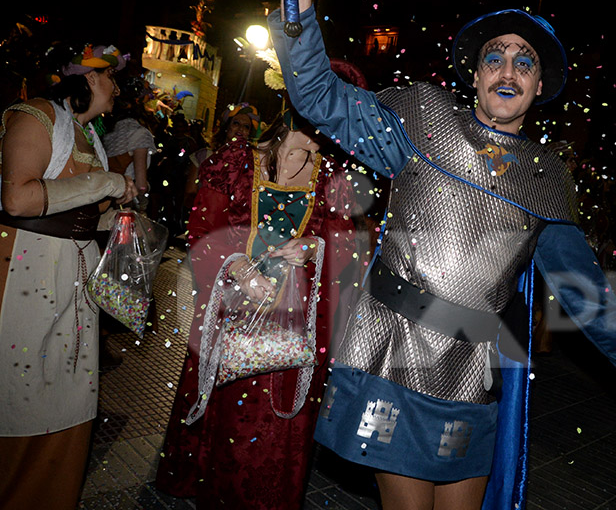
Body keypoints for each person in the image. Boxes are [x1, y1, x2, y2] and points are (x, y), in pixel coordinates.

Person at [260, 0, 616, 509]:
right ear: (474, 75)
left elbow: (577, 281)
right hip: (391, 354)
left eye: (524, 62)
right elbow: (316, 94)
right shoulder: (422, 119)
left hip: (473, 370)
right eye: (495, 57)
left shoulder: (547, 176)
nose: (508, 69)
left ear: (538, 85)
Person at [154, 109, 357, 509]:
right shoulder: (235, 162)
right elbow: (201, 231)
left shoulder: (335, 178)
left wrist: (313, 248)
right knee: (227, 412)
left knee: (273, 422)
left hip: (293, 325)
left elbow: (348, 247)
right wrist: (239, 270)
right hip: (231, 313)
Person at [0, 43, 137, 509]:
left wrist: (121, 223)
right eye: (112, 78)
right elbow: (18, 200)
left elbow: (77, 207)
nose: (118, 90)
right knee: (20, 390)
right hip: (25, 270)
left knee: (70, 391)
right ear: (90, 78)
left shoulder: (88, 135)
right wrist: (107, 184)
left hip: (74, 276)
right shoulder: (36, 115)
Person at [102, 74, 156, 209]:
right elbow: (141, 185)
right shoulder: (139, 134)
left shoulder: (109, 131)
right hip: (124, 202)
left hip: (104, 198)